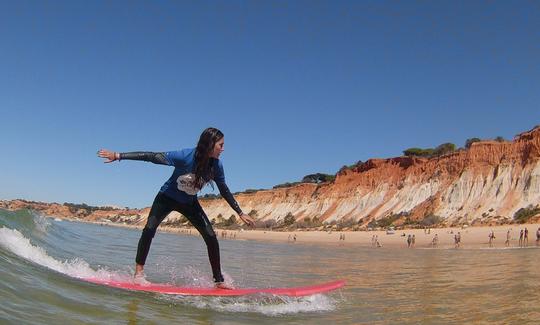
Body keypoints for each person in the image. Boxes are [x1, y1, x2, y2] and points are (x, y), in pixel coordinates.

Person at [98, 127, 255, 289]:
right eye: (220, 145)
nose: (223, 149)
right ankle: (138, 274)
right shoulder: (185, 156)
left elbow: (224, 189)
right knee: (149, 229)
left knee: (211, 237)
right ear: (210, 144)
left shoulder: (216, 166)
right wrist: (118, 156)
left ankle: (219, 281)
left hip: (189, 203)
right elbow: (151, 156)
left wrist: (240, 212)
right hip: (166, 198)